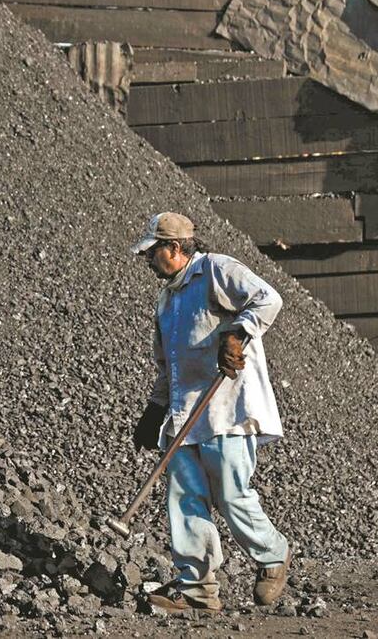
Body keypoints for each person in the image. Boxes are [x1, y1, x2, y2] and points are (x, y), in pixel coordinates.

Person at [130, 211, 291, 613]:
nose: (148, 261)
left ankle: (273, 555)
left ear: (173, 248)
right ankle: (198, 587)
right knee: (185, 501)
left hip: (225, 409)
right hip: (184, 415)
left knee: (231, 494)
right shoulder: (167, 300)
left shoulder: (216, 270)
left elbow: (269, 298)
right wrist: (154, 409)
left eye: (152, 252)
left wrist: (237, 334)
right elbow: (170, 364)